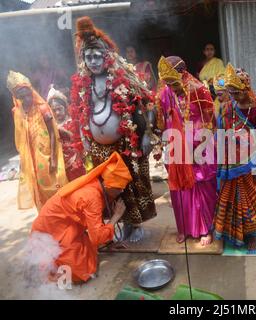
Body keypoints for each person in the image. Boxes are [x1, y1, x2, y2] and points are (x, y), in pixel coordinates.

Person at [69, 17, 157, 243]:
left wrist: (146, 135)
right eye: (89, 56)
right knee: (108, 191)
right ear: (83, 59)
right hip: (99, 150)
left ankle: (135, 225)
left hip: (124, 146)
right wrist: (83, 139)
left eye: (98, 55)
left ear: (107, 56)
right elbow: (80, 113)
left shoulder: (122, 78)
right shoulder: (83, 83)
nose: (94, 61)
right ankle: (116, 226)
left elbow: (145, 103)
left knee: (130, 186)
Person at [31, 152, 131, 283]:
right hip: (49, 234)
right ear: (107, 185)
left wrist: (109, 242)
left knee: (89, 254)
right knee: (84, 272)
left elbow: (94, 222)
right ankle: (49, 270)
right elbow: (96, 238)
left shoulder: (97, 183)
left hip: (65, 227)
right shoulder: (92, 197)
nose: (120, 193)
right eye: (119, 189)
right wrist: (116, 216)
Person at [156, 56, 217, 246]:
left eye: (173, 83)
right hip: (176, 149)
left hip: (199, 147)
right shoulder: (165, 93)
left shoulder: (199, 91)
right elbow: (162, 122)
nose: (171, 87)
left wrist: (194, 144)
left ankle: (206, 228)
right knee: (180, 189)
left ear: (182, 75)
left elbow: (209, 122)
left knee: (201, 186)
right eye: (167, 83)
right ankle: (184, 227)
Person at [213, 63, 256, 251]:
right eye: (231, 92)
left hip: (250, 163)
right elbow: (220, 134)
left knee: (252, 199)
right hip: (230, 164)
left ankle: (251, 235)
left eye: (237, 92)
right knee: (229, 199)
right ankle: (231, 233)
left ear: (247, 89)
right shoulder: (227, 107)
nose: (234, 97)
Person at [6, 71, 68, 211]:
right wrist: (24, 160)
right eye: (22, 97)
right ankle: (47, 221)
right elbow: (21, 138)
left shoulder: (42, 108)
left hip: (46, 156)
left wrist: (53, 158)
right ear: (16, 97)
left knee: (54, 189)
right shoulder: (16, 112)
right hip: (31, 159)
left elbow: (53, 133)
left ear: (32, 91)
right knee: (38, 191)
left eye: (28, 94)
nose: (27, 98)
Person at [47, 86, 86, 181]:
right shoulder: (52, 126)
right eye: (54, 110)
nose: (57, 112)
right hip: (61, 161)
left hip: (75, 159)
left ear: (65, 107)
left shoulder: (72, 121)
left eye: (59, 109)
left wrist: (63, 131)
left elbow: (77, 139)